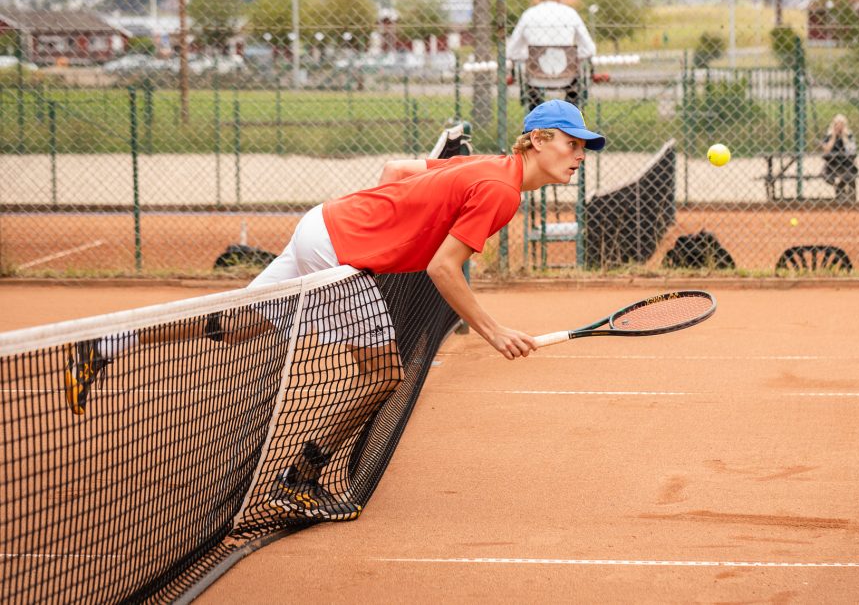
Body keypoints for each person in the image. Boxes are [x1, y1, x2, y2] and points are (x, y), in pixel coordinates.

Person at [63, 99, 606, 521]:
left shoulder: (489, 167)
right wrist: (494, 331)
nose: (581, 154)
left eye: (586, 146)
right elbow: (443, 269)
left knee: (237, 325)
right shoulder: (500, 191)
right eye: (573, 142)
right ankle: (297, 480)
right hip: (339, 251)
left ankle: (105, 343)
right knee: (383, 376)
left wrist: (384, 218)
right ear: (538, 139)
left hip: (323, 223)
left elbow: (395, 170)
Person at [507, 0, 597, 112]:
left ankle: (536, 120)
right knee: (576, 83)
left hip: (535, 79)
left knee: (530, 84)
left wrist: (528, 56)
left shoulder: (528, 15)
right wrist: (573, 56)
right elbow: (589, 49)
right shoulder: (570, 13)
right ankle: (570, 118)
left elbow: (511, 51)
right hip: (567, 78)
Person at [821, 113, 858, 202]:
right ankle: (839, 190)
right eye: (837, 124)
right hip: (832, 164)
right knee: (827, 176)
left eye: (841, 124)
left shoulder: (848, 135)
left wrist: (844, 137)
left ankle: (845, 193)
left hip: (846, 164)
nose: (839, 127)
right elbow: (826, 150)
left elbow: (851, 151)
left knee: (850, 174)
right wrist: (833, 137)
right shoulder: (829, 135)